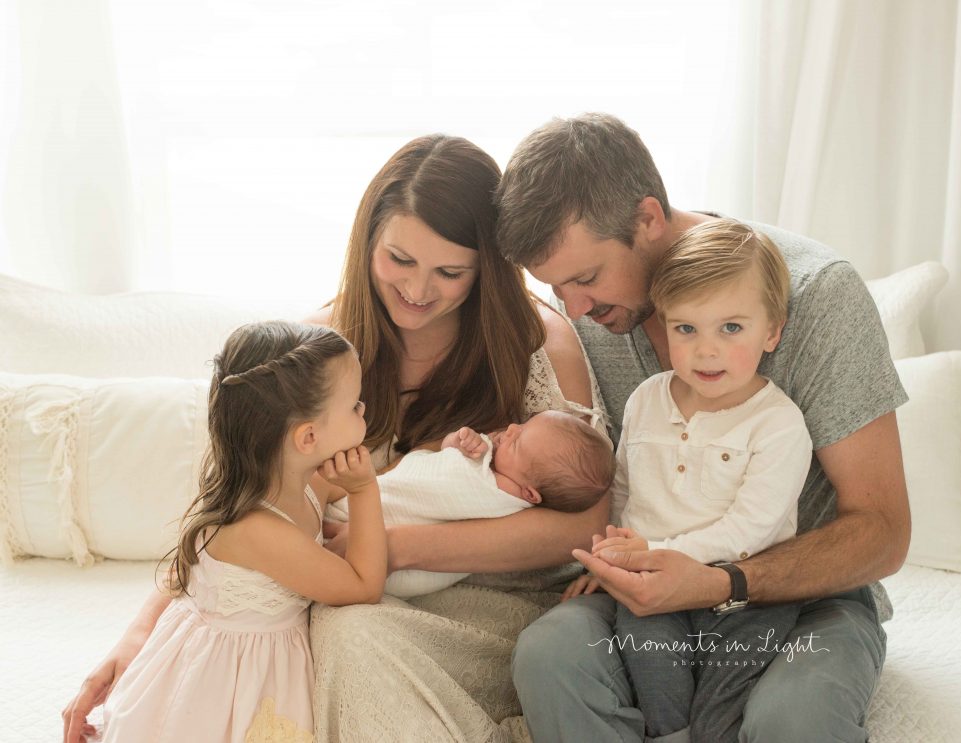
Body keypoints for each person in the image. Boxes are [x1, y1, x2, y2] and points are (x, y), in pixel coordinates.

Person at [62, 135, 605, 743]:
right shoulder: (315, 353)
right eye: (399, 260)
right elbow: (233, 507)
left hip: (487, 599)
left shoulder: (534, 344)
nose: (419, 290)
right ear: (366, 240)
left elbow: (583, 524)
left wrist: (394, 548)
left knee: (346, 629)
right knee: (322, 631)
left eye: (450, 272)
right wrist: (139, 636)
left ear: (488, 272)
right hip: (335, 600)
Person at [497, 113, 910, 742]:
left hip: (802, 602)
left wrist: (722, 581)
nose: (574, 308)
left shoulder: (817, 296)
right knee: (550, 656)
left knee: (790, 723)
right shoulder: (589, 320)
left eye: (585, 278)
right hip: (648, 590)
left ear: (649, 219)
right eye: (557, 287)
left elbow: (883, 531)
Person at [562, 219, 812, 741]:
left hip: (744, 599)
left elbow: (752, 531)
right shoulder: (646, 399)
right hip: (650, 588)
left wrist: (652, 550)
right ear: (666, 325)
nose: (706, 351)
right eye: (686, 329)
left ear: (773, 330)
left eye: (731, 328)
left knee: (726, 698)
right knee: (653, 673)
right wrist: (611, 559)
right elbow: (625, 494)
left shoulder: (779, 423)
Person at [98, 321, 387, 743]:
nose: (364, 413)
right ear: (308, 437)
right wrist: (364, 490)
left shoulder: (302, 482)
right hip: (229, 682)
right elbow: (364, 585)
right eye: (355, 407)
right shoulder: (257, 531)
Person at [328, 409, 615, 598]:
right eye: (522, 425)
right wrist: (459, 443)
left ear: (529, 495)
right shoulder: (497, 464)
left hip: (395, 557)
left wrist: (465, 455)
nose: (511, 429)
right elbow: (442, 461)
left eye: (516, 443)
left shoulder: (502, 495)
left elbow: (448, 480)